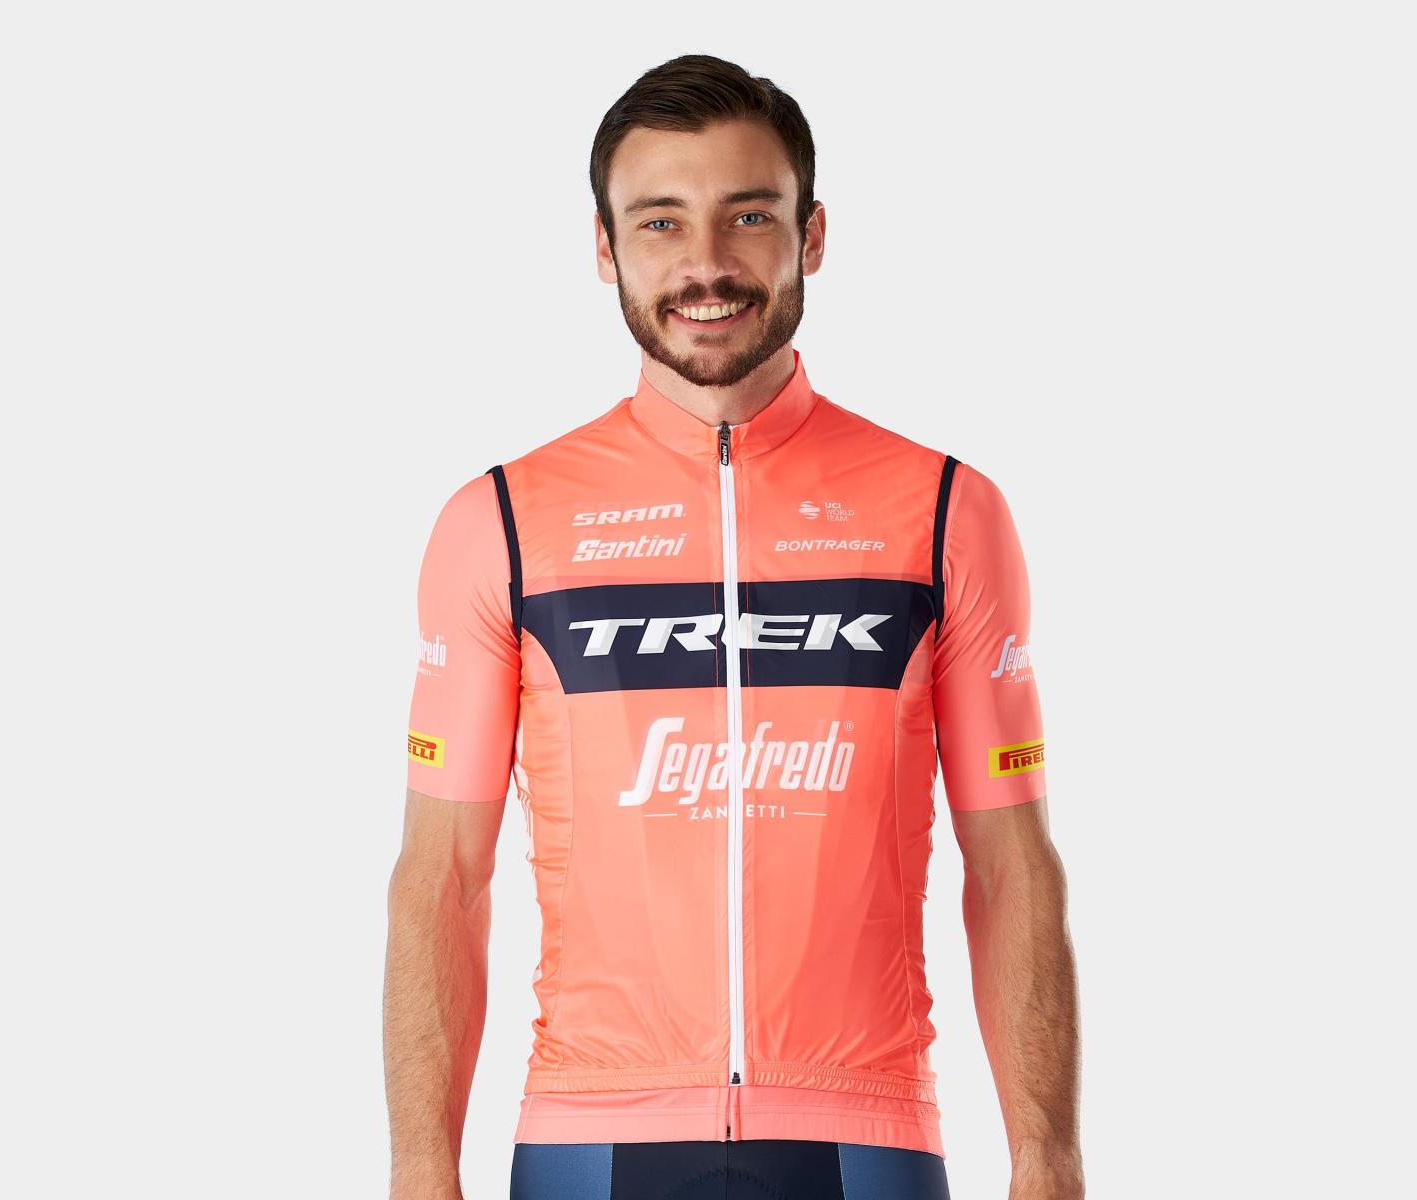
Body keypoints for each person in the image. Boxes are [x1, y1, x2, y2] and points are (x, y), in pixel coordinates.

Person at [384, 54, 1083, 1200]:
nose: (704, 262)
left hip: (865, 1137)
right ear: (605, 247)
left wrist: (1047, 1161)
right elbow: (442, 877)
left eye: (747, 215)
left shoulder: (945, 512)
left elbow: (1011, 868)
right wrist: (421, 1170)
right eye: (660, 221)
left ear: (812, 234)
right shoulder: (500, 523)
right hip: (589, 1136)